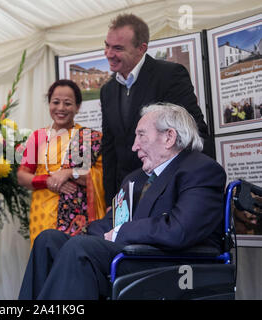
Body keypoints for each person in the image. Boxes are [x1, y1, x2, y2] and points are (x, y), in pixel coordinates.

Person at [19, 102, 226, 300]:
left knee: (81, 248)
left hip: (167, 263)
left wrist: (120, 233)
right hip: (131, 255)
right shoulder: (135, 178)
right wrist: (97, 233)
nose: (134, 147)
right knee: (48, 240)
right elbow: (111, 221)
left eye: (141, 136)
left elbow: (180, 229)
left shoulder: (200, 170)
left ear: (169, 137)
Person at [101, 13, 213, 208]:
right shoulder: (107, 91)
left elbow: (195, 133)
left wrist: (194, 191)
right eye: (107, 45)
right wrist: (111, 199)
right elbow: (110, 148)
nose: (109, 54)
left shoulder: (169, 76)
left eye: (118, 48)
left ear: (141, 48)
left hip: (167, 193)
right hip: (127, 198)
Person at [17, 79, 106, 246]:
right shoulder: (38, 137)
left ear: (78, 107)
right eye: (55, 102)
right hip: (41, 215)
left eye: (68, 103)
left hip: (77, 218)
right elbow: (22, 177)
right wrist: (48, 181)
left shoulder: (86, 137)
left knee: (73, 263)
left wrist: (68, 173)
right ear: (49, 104)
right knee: (44, 262)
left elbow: (95, 177)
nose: (61, 108)